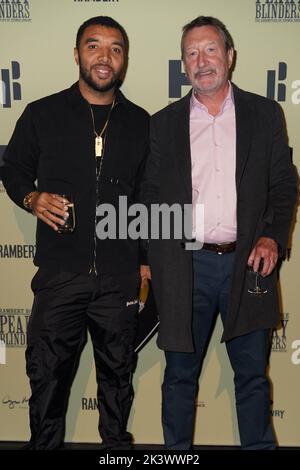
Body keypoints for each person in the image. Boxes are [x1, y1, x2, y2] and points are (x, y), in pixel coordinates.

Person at [143, 16, 297, 450]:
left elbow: (284, 185)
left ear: (230, 56)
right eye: (192, 53)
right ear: (183, 64)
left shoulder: (265, 114)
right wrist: (152, 257)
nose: (202, 61)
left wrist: (272, 235)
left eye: (211, 49)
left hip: (247, 265)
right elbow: (151, 194)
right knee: (178, 378)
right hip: (183, 267)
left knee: (251, 377)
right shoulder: (163, 123)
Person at [0, 16, 149, 450]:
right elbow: (12, 169)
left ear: (124, 60)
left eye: (115, 49)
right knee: (46, 377)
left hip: (119, 278)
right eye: (94, 46)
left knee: (118, 381)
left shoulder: (141, 123)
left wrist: (143, 261)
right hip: (60, 275)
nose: (104, 57)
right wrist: (32, 198)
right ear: (77, 54)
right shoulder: (42, 114)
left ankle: (115, 454)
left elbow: (146, 198)